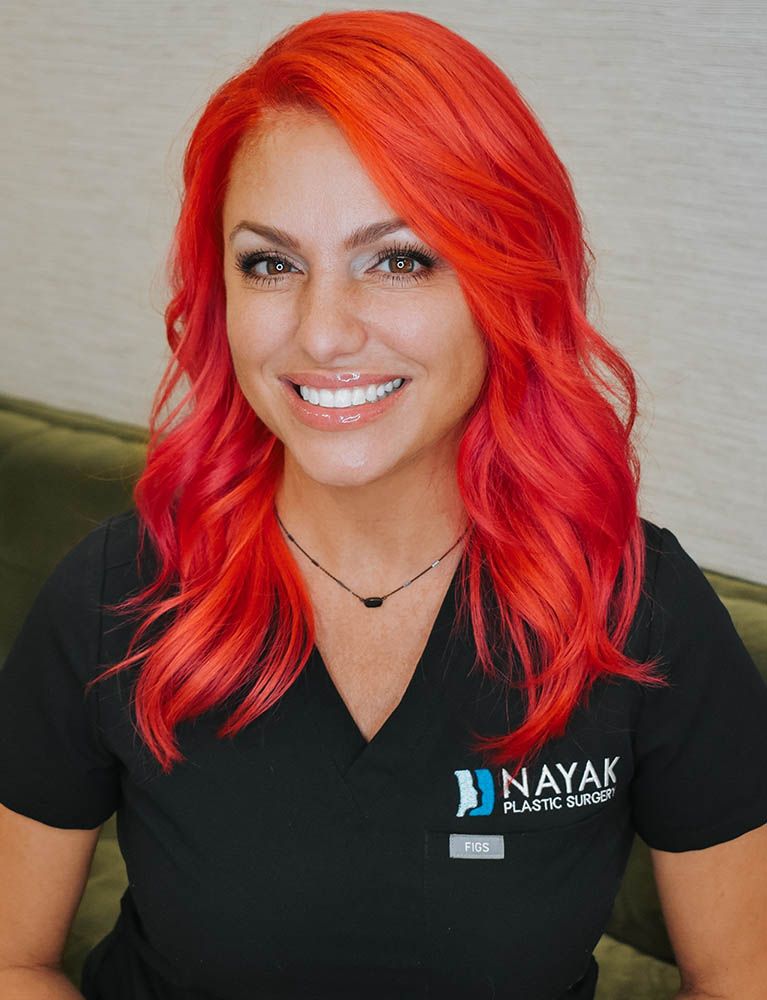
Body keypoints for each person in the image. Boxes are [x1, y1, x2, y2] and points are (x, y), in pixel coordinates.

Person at [0, 9, 765, 1000]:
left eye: (398, 258)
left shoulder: (637, 605)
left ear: (506, 285)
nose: (322, 333)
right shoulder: (117, 593)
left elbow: (739, 973)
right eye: (271, 263)